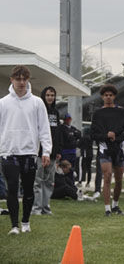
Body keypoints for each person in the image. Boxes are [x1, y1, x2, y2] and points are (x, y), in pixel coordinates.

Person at [0, 65, 52, 234]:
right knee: (12, 188)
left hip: (30, 152)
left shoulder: (37, 102)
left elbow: (44, 128)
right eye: (18, 79)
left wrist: (46, 151)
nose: (21, 82)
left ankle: (25, 222)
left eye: (24, 79)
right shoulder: (3, 103)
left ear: (28, 80)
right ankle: (14, 225)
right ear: (12, 80)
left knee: (29, 189)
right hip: (9, 152)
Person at [91, 84, 124, 216]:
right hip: (104, 149)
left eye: (110, 95)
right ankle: (107, 208)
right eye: (106, 95)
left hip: (118, 149)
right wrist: (106, 136)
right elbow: (93, 134)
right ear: (102, 97)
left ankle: (115, 204)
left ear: (114, 96)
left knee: (119, 179)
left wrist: (118, 138)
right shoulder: (98, 114)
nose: (108, 97)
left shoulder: (122, 112)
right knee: (107, 175)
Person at [31, 86, 63, 215]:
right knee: (38, 180)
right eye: (48, 95)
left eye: (52, 95)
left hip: (52, 153)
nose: (50, 97)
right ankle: (37, 208)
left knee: (49, 181)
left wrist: (58, 150)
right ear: (43, 96)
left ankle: (46, 207)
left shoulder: (55, 112)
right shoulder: (38, 110)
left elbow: (57, 132)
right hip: (39, 152)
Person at [60, 113, 81, 183]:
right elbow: (67, 137)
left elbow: (79, 134)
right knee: (65, 169)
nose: (68, 120)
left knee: (72, 169)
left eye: (69, 119)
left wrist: (72, 134)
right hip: (65, 152)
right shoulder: (62, 128)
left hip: (73, 152)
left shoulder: (72, 128)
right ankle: (65, 183)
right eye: (67, 119)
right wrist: (72, 134)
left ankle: (71, 183)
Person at [79, 121, 94, 188]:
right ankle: (88, 182)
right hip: (90, 153)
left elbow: (78, 144)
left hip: (84, 154)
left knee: (82, 168)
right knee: (89, 168)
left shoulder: (83, 138)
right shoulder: (91, 138)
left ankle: (80, 181)